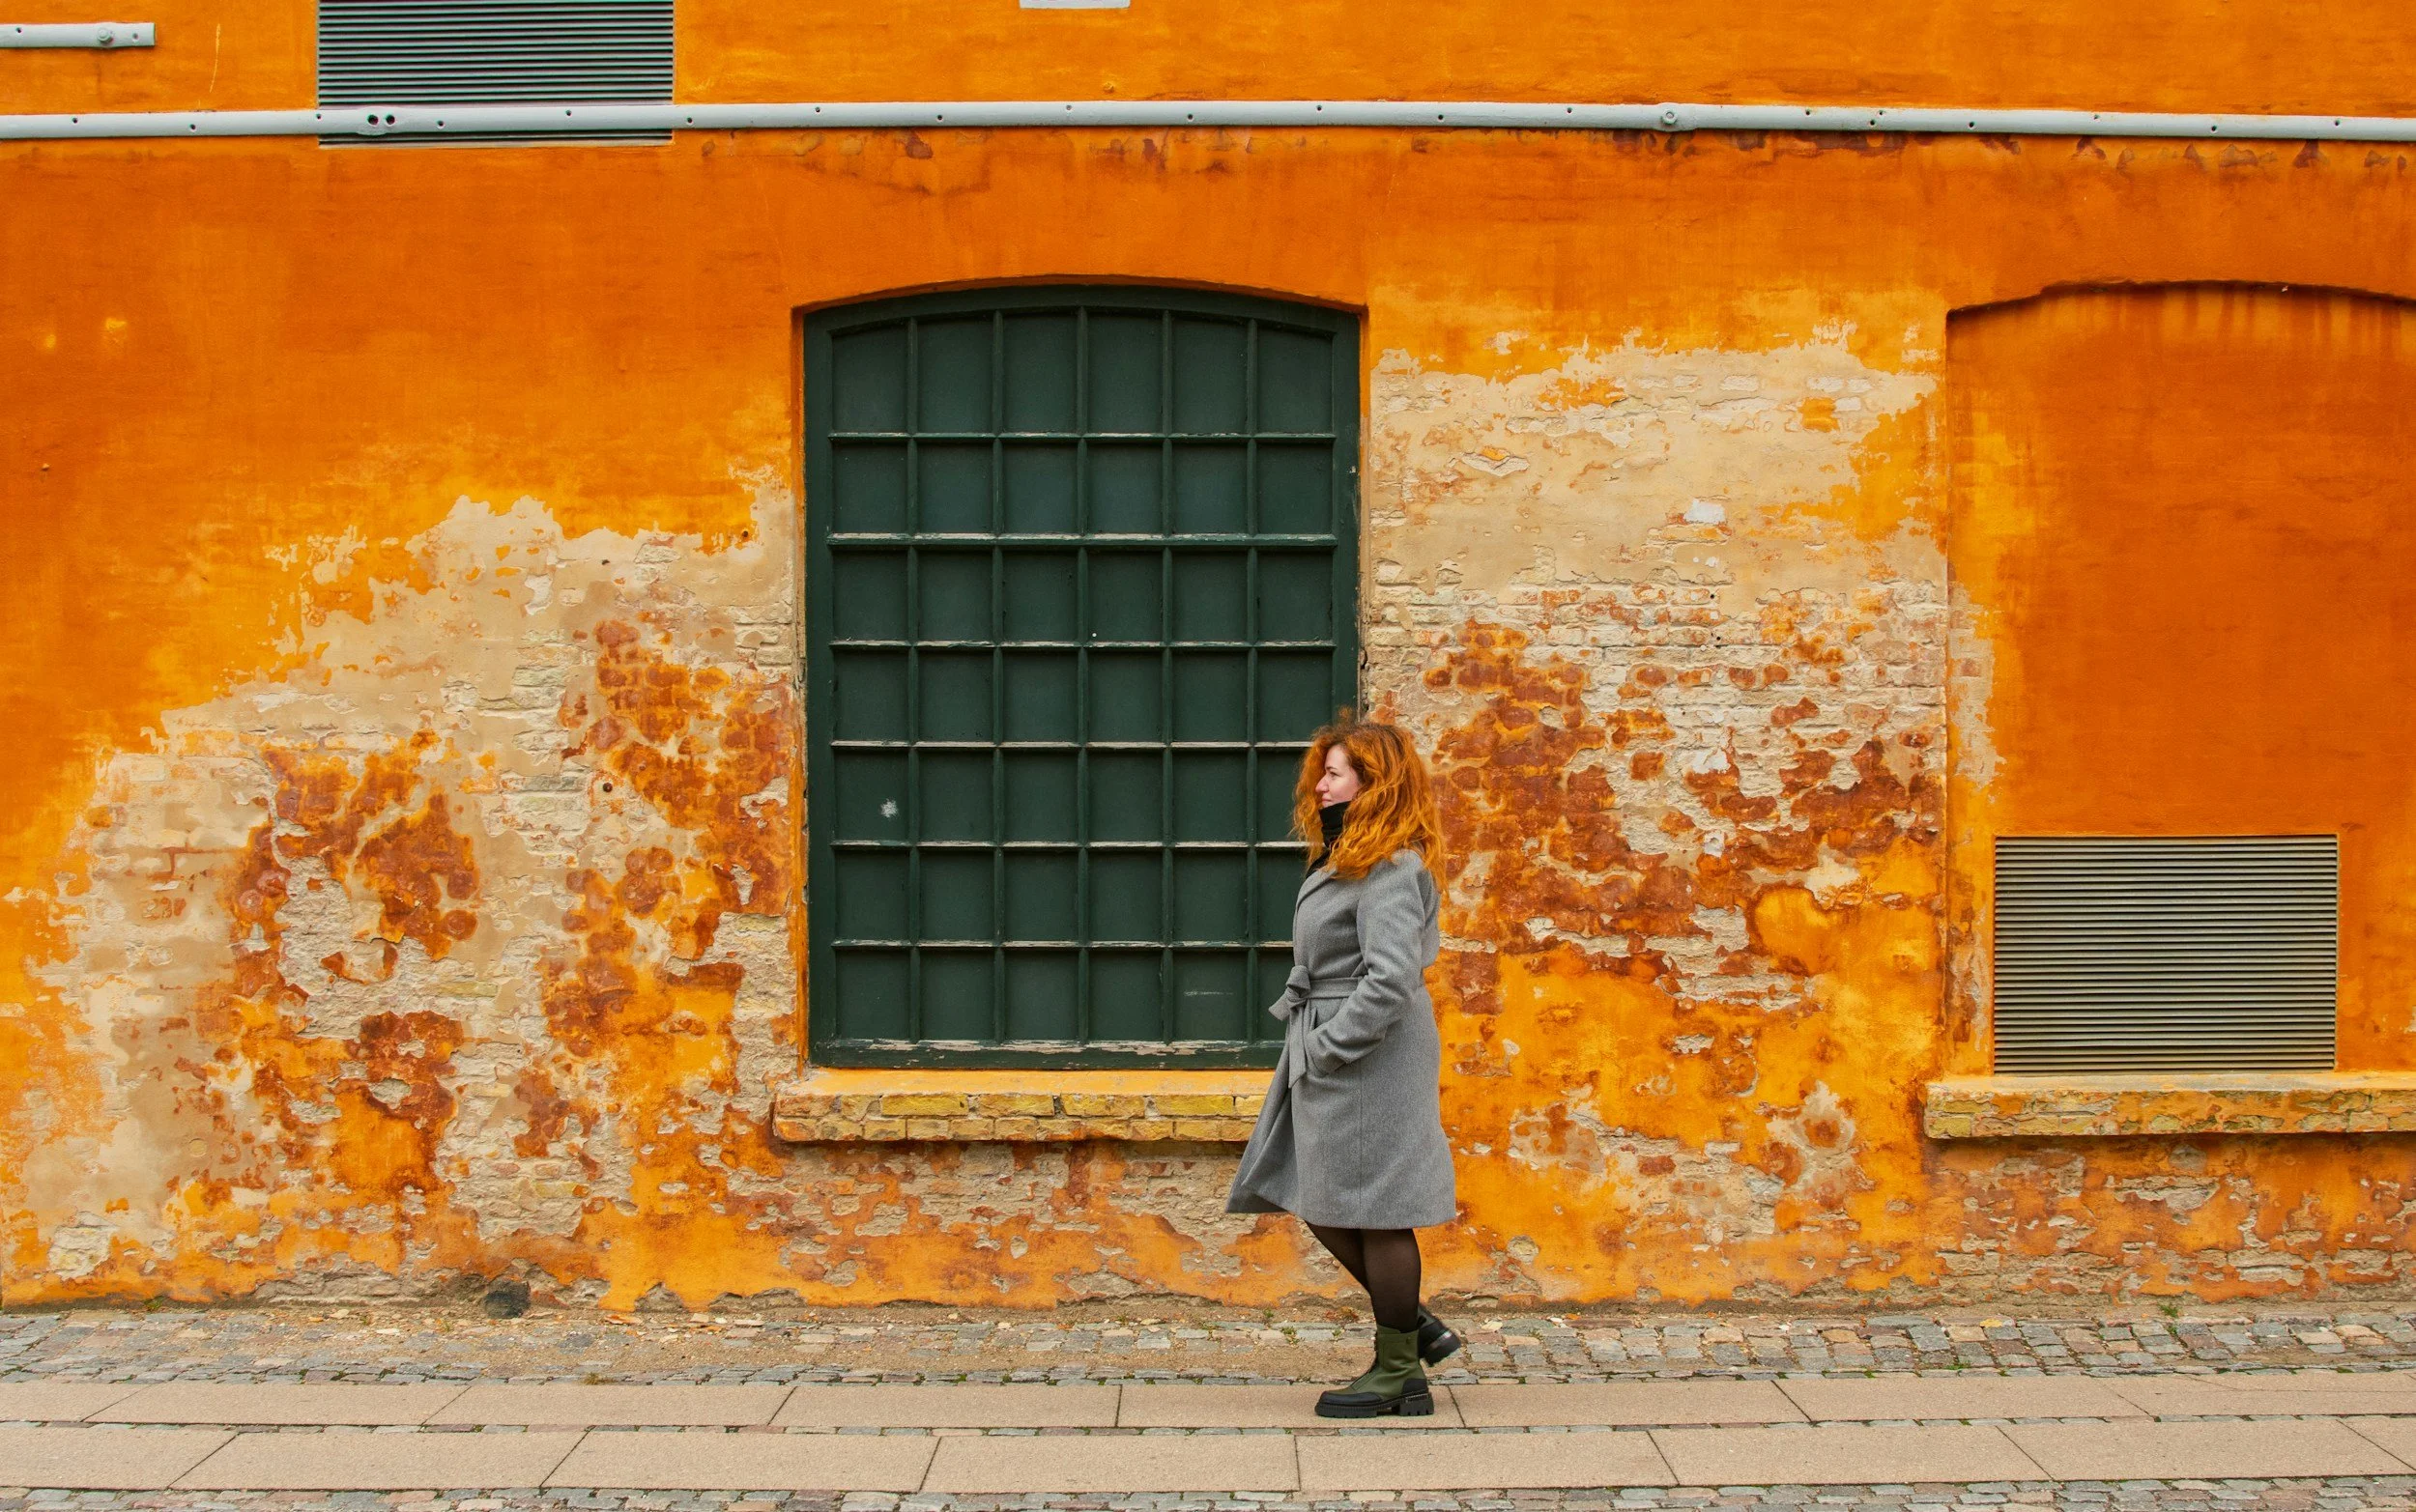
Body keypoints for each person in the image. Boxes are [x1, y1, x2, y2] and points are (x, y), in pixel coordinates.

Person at [1227, 715, 1460, 1418]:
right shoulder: (1349, 858)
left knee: (1378, 1210)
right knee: (1314, 1188)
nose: (1320, 786)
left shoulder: (1390, 866)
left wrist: (1328, 1047)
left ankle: (1399, 1373)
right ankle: (1413, 1328)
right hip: (1332, 1042)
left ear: (1372, 783)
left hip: (1365, 1054)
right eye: (1322, 774)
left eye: (1334, 774)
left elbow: (1390, 979)